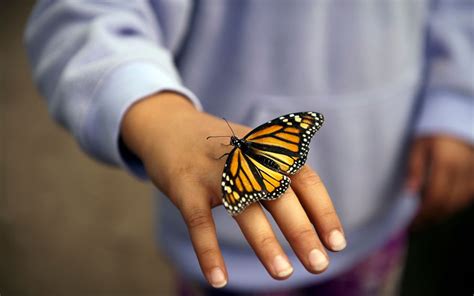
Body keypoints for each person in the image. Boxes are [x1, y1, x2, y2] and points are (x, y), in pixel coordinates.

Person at [25, 1, 473, 295]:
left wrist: (456, 101)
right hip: (232, 250)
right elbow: (83, 14)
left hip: (378, 209)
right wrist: (159, 113)